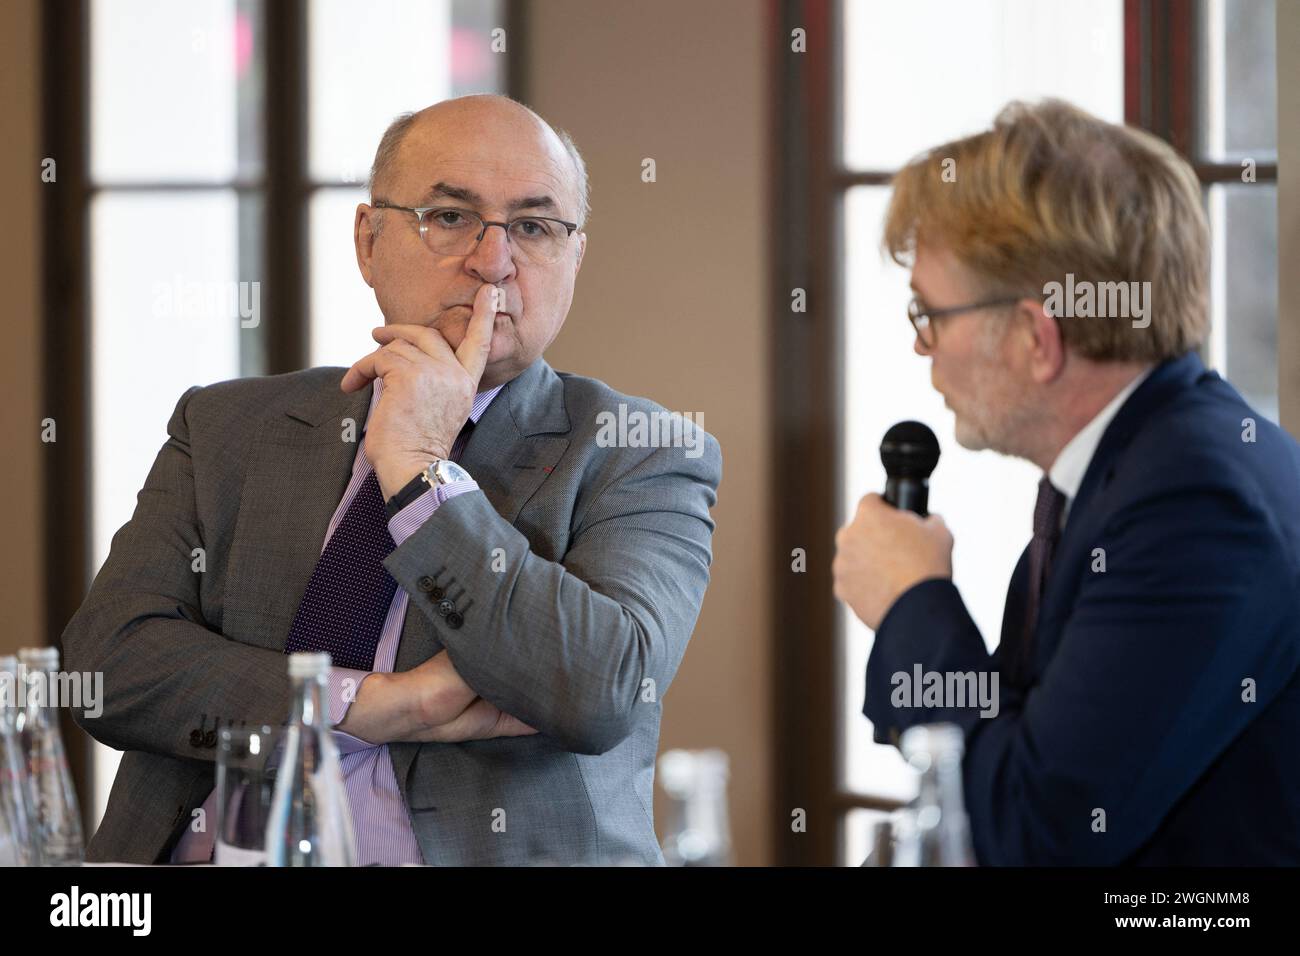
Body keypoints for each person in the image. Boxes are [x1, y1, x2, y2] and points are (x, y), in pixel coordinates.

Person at [63, 94, 721, 866]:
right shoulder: (224, 428)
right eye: (449, 216)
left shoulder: (640, 450)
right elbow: (107, 666)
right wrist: (367, 707)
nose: (493, 261)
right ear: (368, 241)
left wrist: (419, 472)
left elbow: (602, 688)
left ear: (575, 258)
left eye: (535, 227)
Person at [832, 99, 1300, 865]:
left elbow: (1034, 833)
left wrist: (912, 602)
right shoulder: (1115, 473)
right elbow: (1011, 742)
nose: (922, 348)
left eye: (931, 314)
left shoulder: (1198, 507)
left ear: (1034, 337)